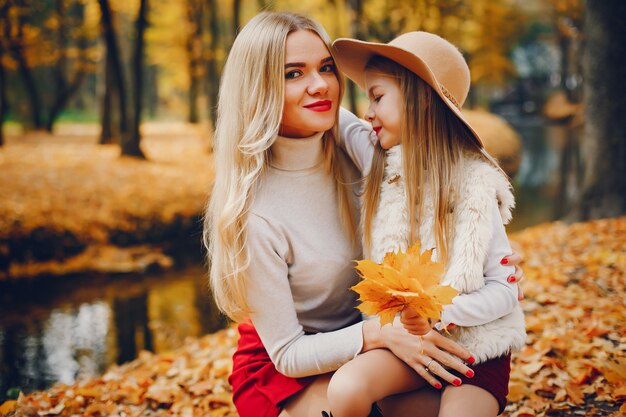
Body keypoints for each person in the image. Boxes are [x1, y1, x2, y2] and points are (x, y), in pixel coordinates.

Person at [204, 12, 525, 417]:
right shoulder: (256, 213)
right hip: (297, 358)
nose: (319, 85)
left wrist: (486, 267)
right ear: (259, 88)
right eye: (292, 73)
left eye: (325, 68)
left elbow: (439, 180)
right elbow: (287, 351)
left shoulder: (362, 144)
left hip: (394, 336)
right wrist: (379, 334)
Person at [325, 32, 527, 417]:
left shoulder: (475, 185)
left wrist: (440, 312)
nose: (368, 111)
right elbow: (327, 110)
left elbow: (505, 292)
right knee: (347, 389)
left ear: (420, 101)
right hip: (404, 348)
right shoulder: (378, 166)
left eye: (378, 96)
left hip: (474, 352)